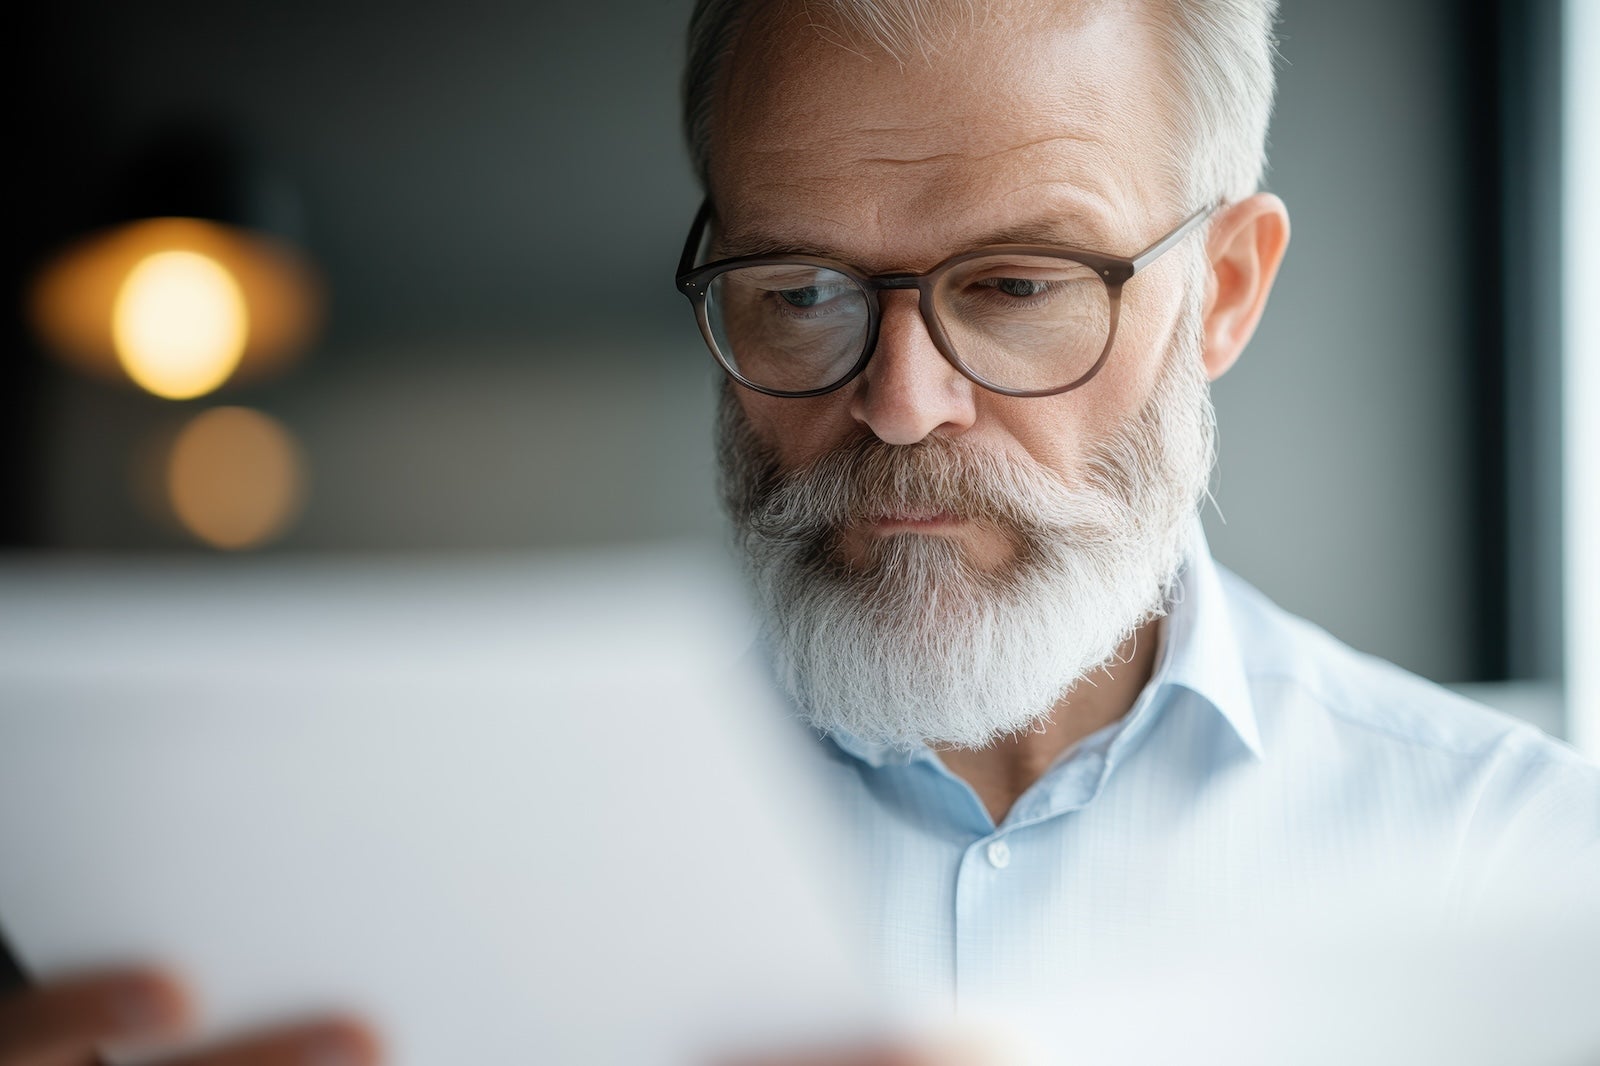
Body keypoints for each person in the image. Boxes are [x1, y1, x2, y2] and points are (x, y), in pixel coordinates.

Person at [3, 2, 1596, 1064]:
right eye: (800, 290)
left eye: (1017, 286)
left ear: (1225, 291)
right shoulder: (421, 877)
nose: (897, 402)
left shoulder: (1526, 869)